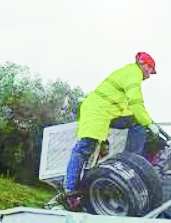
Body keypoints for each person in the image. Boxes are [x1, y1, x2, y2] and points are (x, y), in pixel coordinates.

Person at [63, 52, 161, 210]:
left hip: (106, 112)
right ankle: (70, 191)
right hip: (97, 111)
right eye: (150, 71)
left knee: (136, 124)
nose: (150, 75)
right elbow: (136, 101)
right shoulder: (133, 73)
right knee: (83, 149)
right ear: (144, 65)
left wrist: (145, 122)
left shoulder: (128, 72)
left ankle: (129, 161)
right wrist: (148, 122)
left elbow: (127, 106)